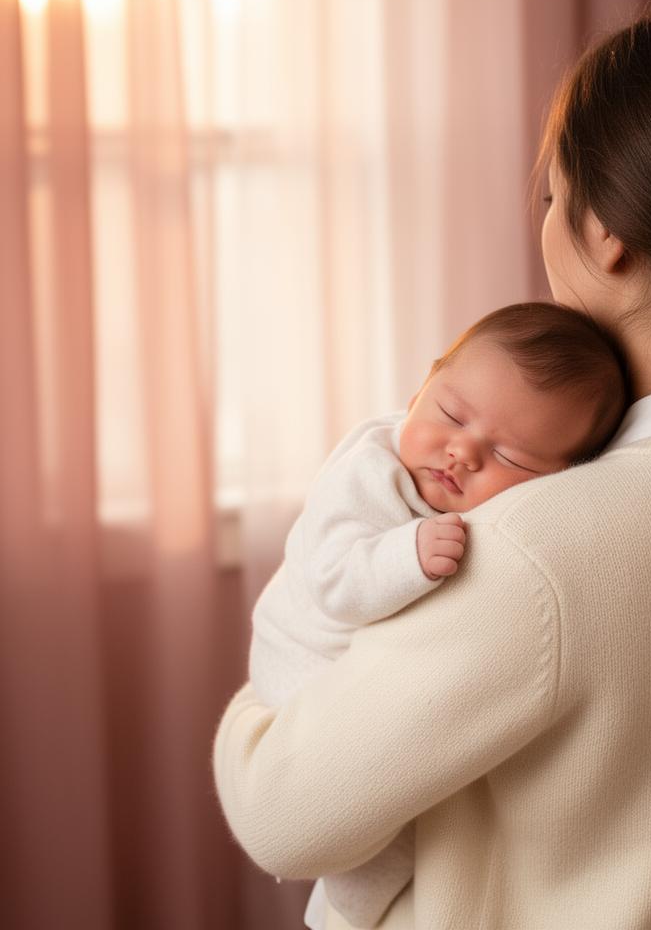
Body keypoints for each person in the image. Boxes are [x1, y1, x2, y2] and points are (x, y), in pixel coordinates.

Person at [213, 1, 651, 929]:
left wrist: (288, 648)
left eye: (552, 195)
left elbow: (282, 814)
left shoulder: (532, 550)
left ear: (606, 229)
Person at [247, 301, 629, 928]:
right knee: (387, 819)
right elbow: (335, 580)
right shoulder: (369, 472)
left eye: (513, 458)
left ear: (560, 480)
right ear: (423, 384)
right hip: (302, 659)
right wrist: (408, 556)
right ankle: (341, 915)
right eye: (450, 414)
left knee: (409, 818)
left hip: (351, 672)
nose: (463, 452)